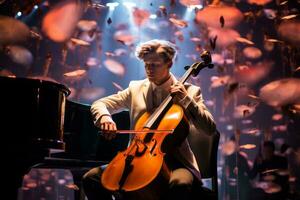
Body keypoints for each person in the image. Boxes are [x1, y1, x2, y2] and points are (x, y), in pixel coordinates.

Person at [82, 39, 216, 200]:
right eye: (146, 65)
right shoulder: (135, 88)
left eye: (155, 65)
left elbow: (209, 128)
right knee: (91, 179)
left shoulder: (190, 91)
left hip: (176, 162)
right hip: (136, 159)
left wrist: (186, 100)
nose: (149, 70)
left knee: (179, 185)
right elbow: (100, 103)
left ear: (169, 64)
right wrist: (105, 117)